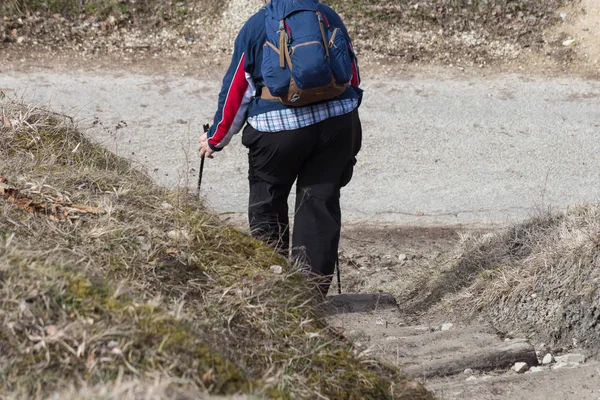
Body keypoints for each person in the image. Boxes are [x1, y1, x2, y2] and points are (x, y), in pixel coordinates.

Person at [199, 0, 362, 296]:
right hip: (337, 124)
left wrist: (215, 140)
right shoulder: (326, 15)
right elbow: (351, 74)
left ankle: (274, 290)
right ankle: (309, 296)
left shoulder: (256, 26)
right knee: (319, 202)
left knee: (268, 199)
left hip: (277, 132)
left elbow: (237, 90)